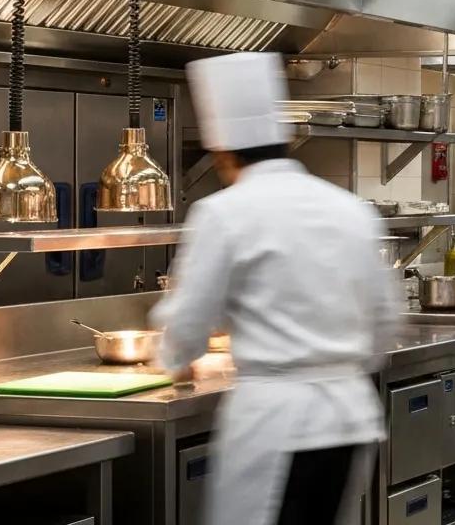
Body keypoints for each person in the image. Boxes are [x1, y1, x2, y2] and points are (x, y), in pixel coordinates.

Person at [152, 52, 401, 525]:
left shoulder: (224, 213)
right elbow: (386, 319)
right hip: (350, 417)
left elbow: (188, 321)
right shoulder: (350, 208)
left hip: (276, 423)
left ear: (222, 152)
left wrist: (174, 358)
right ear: (285, 140)